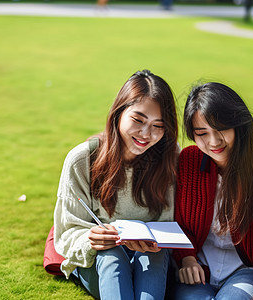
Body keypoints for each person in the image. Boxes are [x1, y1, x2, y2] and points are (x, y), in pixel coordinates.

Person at [53, 70, 178, 300]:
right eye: (138, 120)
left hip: (151, 259)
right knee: (112, 254)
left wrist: (155, 240)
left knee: (155, 257)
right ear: (118, 113)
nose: (146, 134)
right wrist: (91, 238)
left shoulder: (169, 158)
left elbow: (169, 222)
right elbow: (67, 233)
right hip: (99, 262)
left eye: (157, 125)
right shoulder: (82, 160)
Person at [172, 82, 253, 300]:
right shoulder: (188, 162)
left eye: (220, 129)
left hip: (247, 271)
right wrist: (187, 258)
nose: (213, 142)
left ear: (238, 125)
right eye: (202, 133)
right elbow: (179, 224)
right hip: (197, 269)